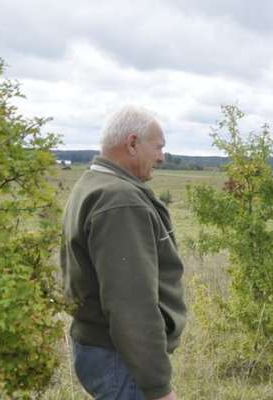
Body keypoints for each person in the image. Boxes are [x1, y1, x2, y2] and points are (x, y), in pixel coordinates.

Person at [61, 105, 186, 400]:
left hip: (103, 351)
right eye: (159, 147)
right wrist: (158, 388)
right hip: (118, 358)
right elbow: (131, 305)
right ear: (132, 144)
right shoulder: (120, 200)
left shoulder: (92, 183)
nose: (162, 157)